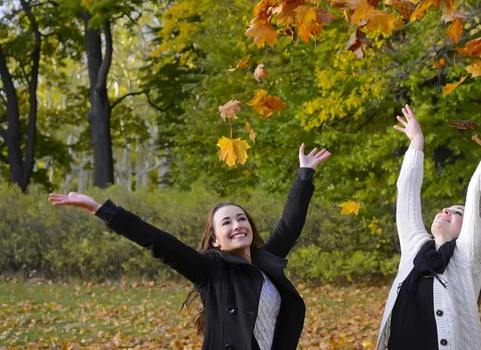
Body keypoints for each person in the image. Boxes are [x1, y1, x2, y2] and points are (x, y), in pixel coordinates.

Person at [48, 144, 331, 350]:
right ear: (215, 240)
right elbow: (158, 242)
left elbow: (290, 224)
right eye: (227, 222)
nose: (237, 225)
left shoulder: (266, 261)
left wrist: (305, 174)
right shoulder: (210, 270)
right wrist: (100, 209)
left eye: (242, 219)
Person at [376, 93, 481, 350]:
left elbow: (479, 188)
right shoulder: (414, 248)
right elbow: (406, 189)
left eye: (459, 212)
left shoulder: (469, 259)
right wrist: (416, 142)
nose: (447, 210)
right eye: (448, 208)